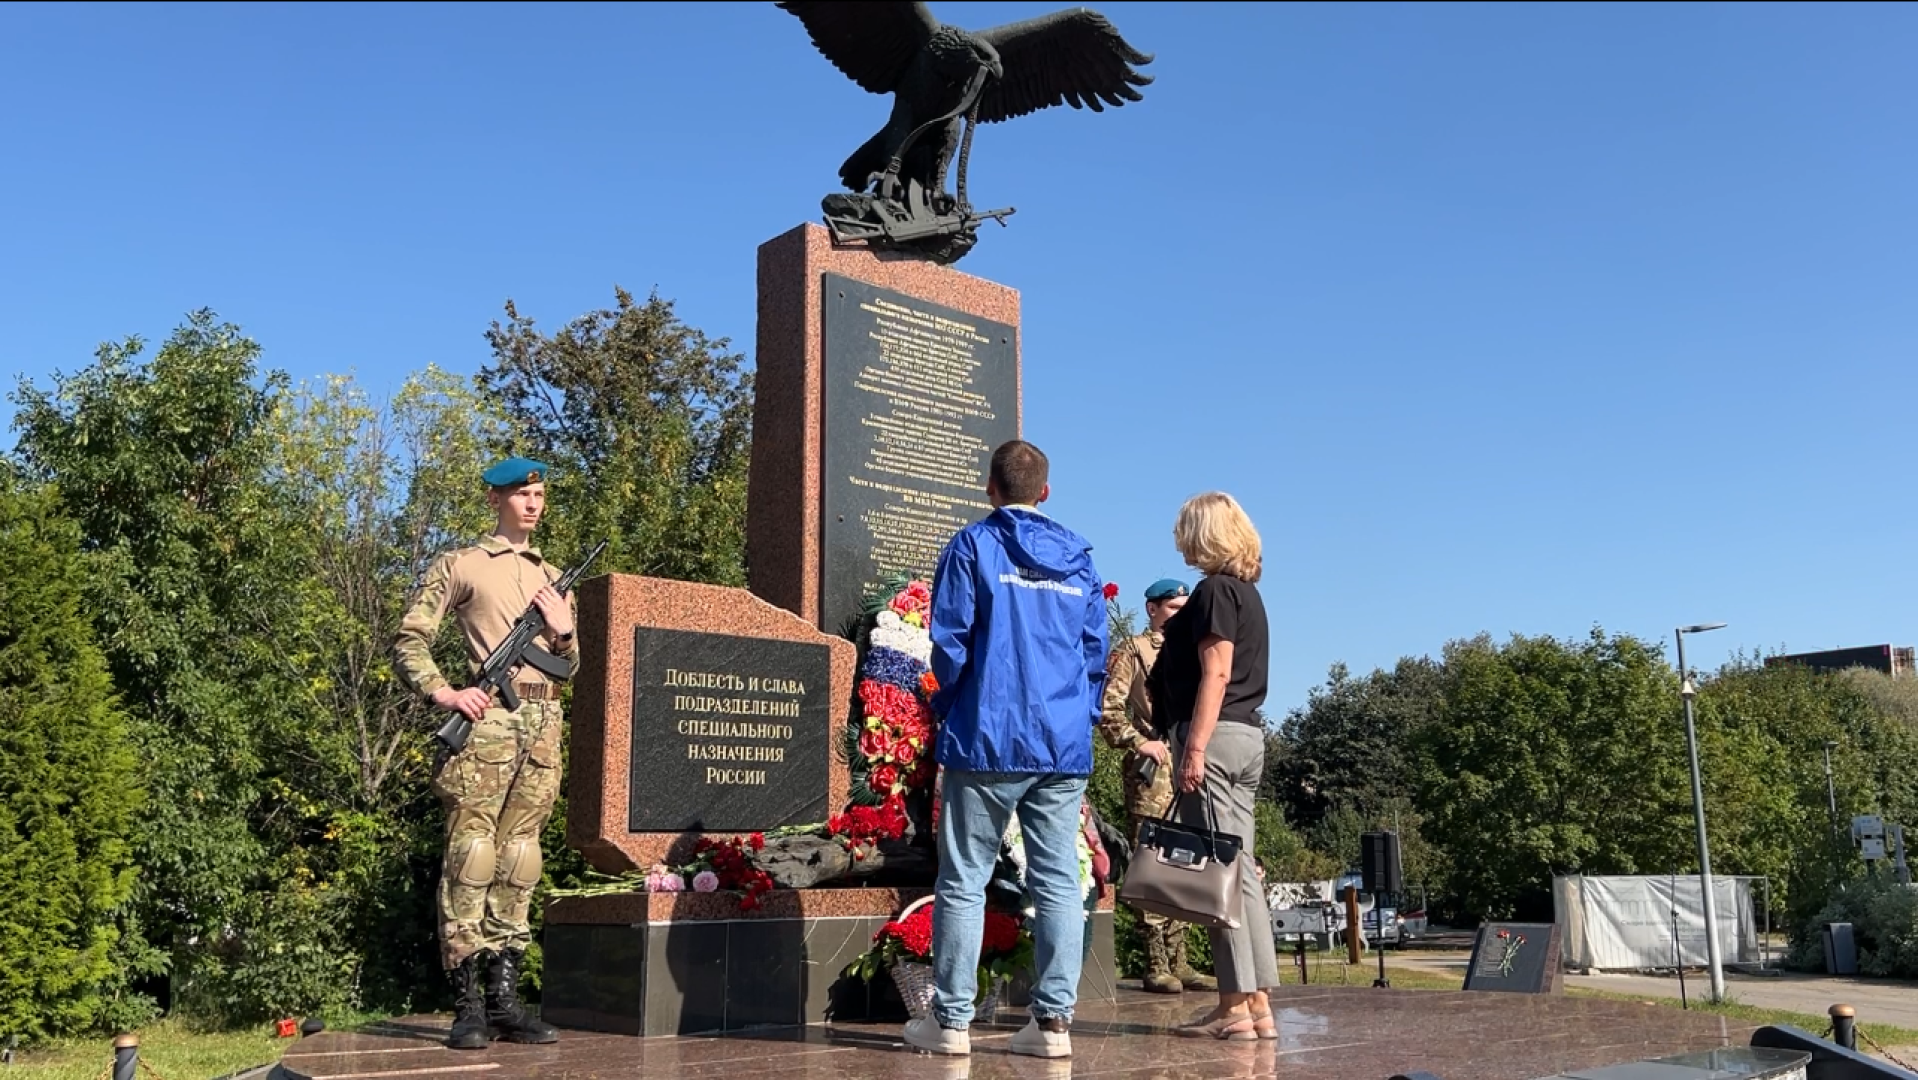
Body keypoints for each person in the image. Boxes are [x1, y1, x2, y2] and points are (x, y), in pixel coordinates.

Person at [911, 439, 1109, 1060]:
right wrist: (1081, 717)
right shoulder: (1079, 562)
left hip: (988, 734)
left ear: (989, 487)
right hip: (1059, 745)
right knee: (1056, 882)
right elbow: (1093, 656)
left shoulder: (973, 545)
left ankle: (952, 1024)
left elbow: (949, 642)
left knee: (964, 879)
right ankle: (1053, 1026)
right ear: (1045, 492)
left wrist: (949, 709)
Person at [393, 456, 579, 1050]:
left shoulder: (551, 577)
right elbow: (410, 637)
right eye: (523, 494)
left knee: (520, 858)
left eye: (541, 494)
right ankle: (468, 1003)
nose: (534, 504)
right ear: (497, 499)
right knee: (472, 853)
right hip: (489, 725)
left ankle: (505, 1001)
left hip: (544, 723)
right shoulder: (463, 563)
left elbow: (568, 668)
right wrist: (445, 690)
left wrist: (564, 628)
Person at [1147, 491, 1281, 1041]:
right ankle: (1258, 1005)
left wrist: (1194, 749)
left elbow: (1216, 673)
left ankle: (1234, 1006)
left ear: (1202, 534)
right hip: (1246, 738)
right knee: (1242, 874)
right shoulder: (1247, 594)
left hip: (1217, 738)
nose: (1179, 541)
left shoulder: (1214, 593)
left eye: (1185, 530)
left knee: (1222, 878)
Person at [1097, 577, 1219, 995]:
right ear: (1152, 609)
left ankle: (1181, 961)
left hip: (1188, 763)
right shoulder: (1134, 650)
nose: (1179, 615)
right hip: (1152, 771)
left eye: (1185, 608)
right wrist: (1140, 742)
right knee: (1153, 865)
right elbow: (1108, 711)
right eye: (1172, 608)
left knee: (1186, 862)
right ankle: (1156, 963)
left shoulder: (1191, 649)